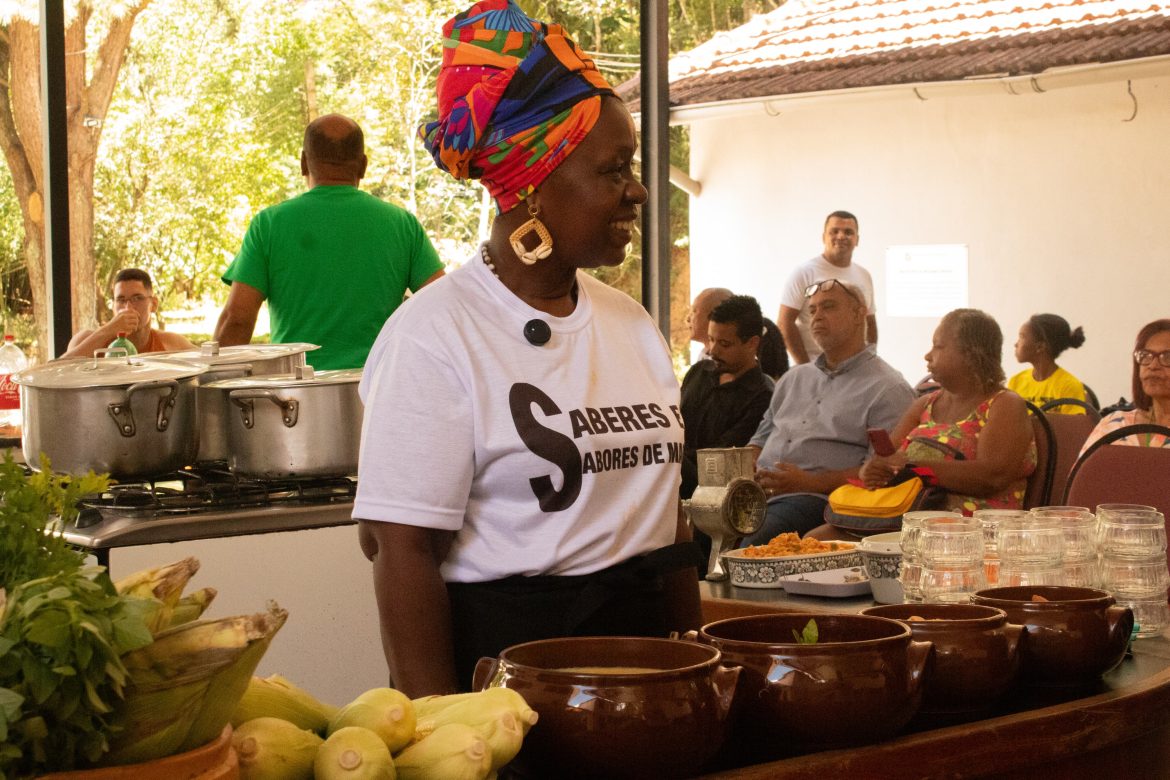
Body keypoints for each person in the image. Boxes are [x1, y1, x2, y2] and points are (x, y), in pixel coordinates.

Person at [354, 0, 702, 697]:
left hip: (650, 679)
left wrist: (698, 670)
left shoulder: (630, 325)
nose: (637, 189)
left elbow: (668, 526)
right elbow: (401, 551)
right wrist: (441, 733)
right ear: (533, 184)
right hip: (515, 686)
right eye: (614, 169)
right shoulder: (436, 336)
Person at [214, 114, 445, 370]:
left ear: (304, 163)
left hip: (297, 395)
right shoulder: (403, 224)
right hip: (379, 389)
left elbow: (237, 320)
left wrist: (215, 384)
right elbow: (442, 307)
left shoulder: (268, 225)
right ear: (363, 166)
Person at [739, 279, 914, 545]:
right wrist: (743, 469)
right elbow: (760, 440)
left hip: (820, 499)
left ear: (858, 314)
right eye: (812, 310)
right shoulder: (794, 378)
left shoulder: (888, 388)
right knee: (693, 524)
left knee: (758, 536)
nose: (817, 316)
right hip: (758, 492)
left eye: (828, 307)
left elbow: (883, 473)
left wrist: (808, 482)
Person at [858, 309, 1037, 516]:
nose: (927, 355)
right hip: (910, 516)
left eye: (938, 346)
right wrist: (872, 471)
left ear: (971, 353)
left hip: (973, 530)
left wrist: (911, 467)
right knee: (819, 537)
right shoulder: (925, 404)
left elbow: (992, 477)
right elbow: (886, 460)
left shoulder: (1004, 404)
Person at [680, 295, 774, 561]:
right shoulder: (698, 372)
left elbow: (722, 460)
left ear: (752, 343)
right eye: (710, 340)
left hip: (714, 491)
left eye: (724, 344)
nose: (712, 350)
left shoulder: (762, 394)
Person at [777, 211, 877, 365]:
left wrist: (870, 358)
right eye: (834, 231)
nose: (841, 236)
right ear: (824, 237)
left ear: (857, 240)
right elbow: (785, 323)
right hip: (815, 367)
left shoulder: (864, 275)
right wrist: (805, 365)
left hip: (855, 368)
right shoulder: (804, 273)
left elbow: (869, 321)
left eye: (848, 232)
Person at [60, 269, 194, 359]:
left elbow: (210, 361)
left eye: (137, 298)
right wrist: (108, 331)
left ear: (153, 304)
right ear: (113, 306)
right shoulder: (86, 340)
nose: (128, 307)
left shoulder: (170, 343)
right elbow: (56, 373)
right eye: (121, 300)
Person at [1081, 319, 1170, 452]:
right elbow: (1082, 472)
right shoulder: (1114, 424)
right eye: (1145, 355)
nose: (1152, 365)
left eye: (1167, 357)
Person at [688, 287, 787, 380]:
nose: (713, 352)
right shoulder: (699, 371)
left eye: (694, 311)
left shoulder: (761, 392)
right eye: (711, 340)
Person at [1008, 314, 1088, 414]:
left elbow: (1074, 427)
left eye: (1022, 337)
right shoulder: (1015, 382)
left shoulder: (1070, 385)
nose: (1016, 344)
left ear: (1040, 347)